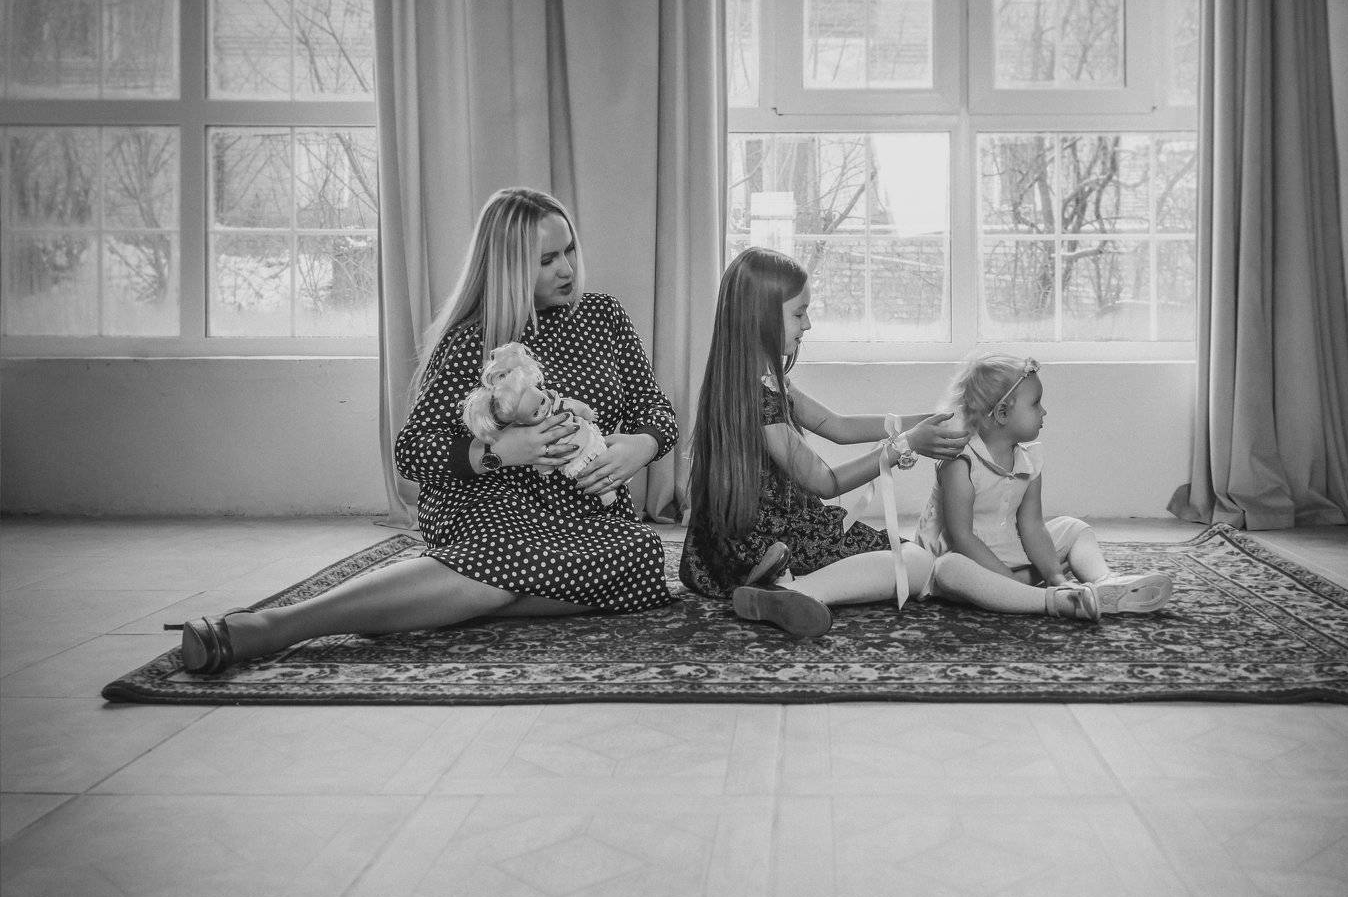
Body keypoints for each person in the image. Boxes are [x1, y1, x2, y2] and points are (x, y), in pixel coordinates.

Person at [170, 187, 678, 673]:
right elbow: (413, 451)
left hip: (580, 514)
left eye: (569, 251)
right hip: (489, 504)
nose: (566, 268)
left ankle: (439, 599)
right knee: (511, 552)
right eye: (547, 260)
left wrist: (643, 444)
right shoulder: (472, 339)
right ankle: (279, 626)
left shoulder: (604, 317)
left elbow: (656, 408)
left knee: (641, 557)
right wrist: (500, 451)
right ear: (508, 266)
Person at [679, 247, 970, 639]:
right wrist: (905, 446)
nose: (809, 324)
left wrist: (922, 423)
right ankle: (792, 592)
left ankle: (777, 582)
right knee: (916, 563)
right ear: (760, 317)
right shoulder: (759, 397)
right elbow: (824, 482)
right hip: (773, 538)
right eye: (799, 313)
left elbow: (837, 426)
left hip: (729, 550)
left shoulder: (749, 381)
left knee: (906, 556)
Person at [914, 350, 1173, 621]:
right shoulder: (961, 462)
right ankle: (1048, 599)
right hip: (966, 555)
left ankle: (1103, 582)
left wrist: (1055, 575)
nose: (1044, 411)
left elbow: (1033, 526)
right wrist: (1006, 581)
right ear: (1002, 412)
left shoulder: (1029, 461)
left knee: (1074, 528)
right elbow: (962, 537)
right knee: (949, 569)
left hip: (1007, 547)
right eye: (1035, 403)